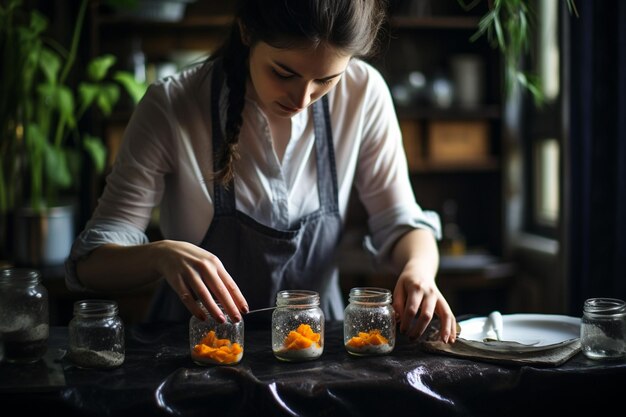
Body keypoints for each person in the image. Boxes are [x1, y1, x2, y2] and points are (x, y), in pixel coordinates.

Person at [65, 0, 457, 343]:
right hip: (195, 356)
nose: (302, 98)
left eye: (326, 80)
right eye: (284, 73)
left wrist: (419, 270)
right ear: (247, 30)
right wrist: (159, 256)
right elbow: (90, 264)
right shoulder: (173, 106)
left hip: (313, 350)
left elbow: (401, 222)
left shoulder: (364, 94)